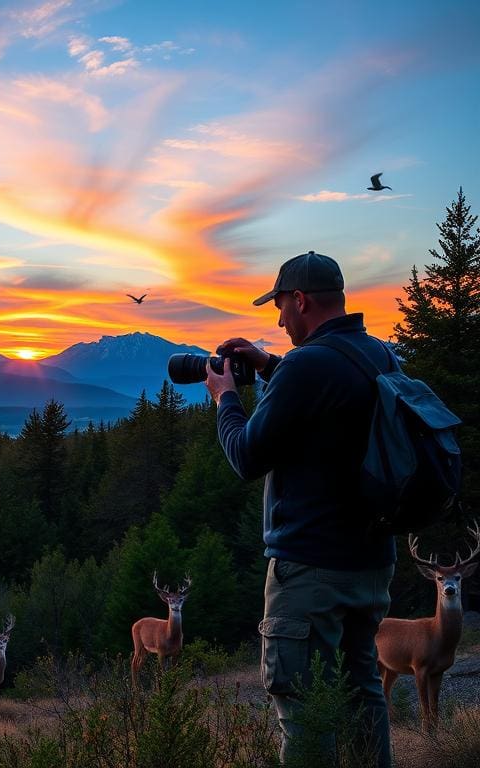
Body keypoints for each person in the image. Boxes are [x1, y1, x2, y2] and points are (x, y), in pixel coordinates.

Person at [204, 250, 396, 767]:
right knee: (362, 695)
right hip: (371, 564)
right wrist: (270, 367)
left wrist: (226, 398)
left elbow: (246, 457)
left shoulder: (309, 365)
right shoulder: (376, 354)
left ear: (301, 299)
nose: (278, 319)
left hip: (311, 569)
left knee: (305, 707)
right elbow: (332, 410)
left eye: (281, 306)